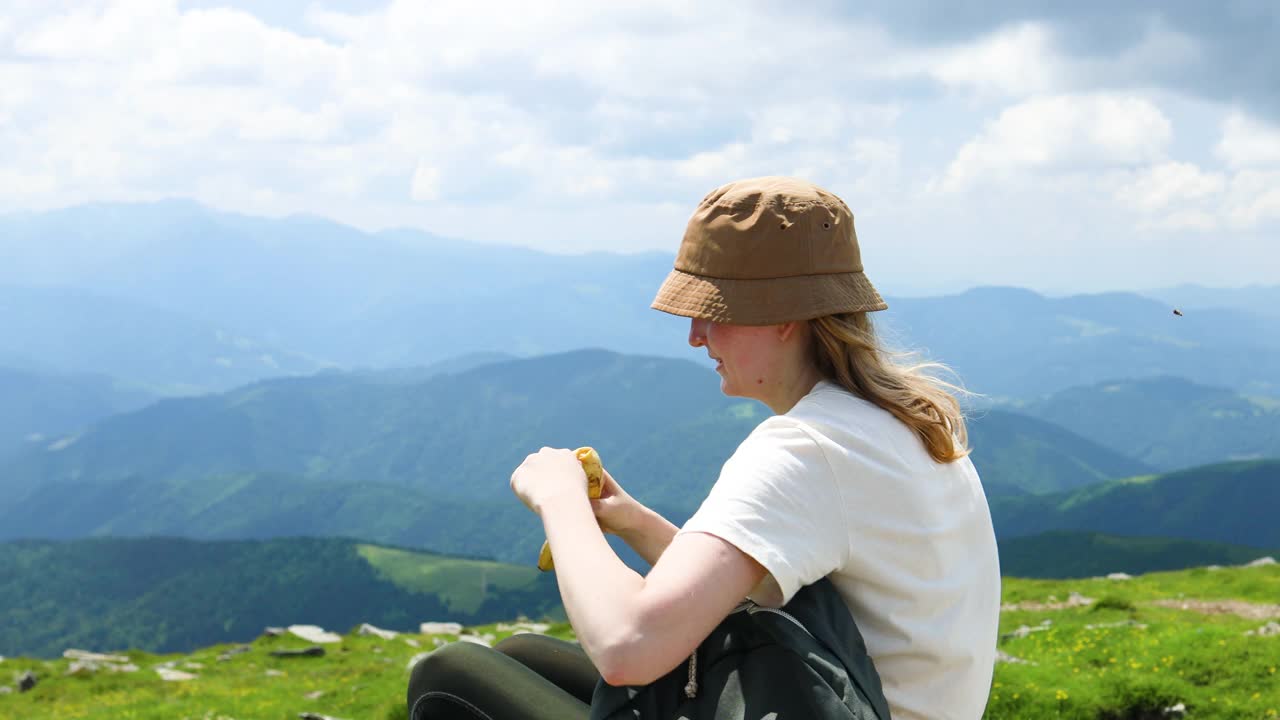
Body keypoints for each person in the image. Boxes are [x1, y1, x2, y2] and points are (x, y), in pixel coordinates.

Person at [407, 176, 1001, 720]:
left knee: (448, 675)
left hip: (829, 702)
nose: (695, 336)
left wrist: (559, 500)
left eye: (712, 311)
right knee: (523, 655)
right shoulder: (909, 424)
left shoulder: (805, 450)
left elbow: (625, 647)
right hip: (833, 693)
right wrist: (635, 524)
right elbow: (772, 595)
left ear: (783, 316)